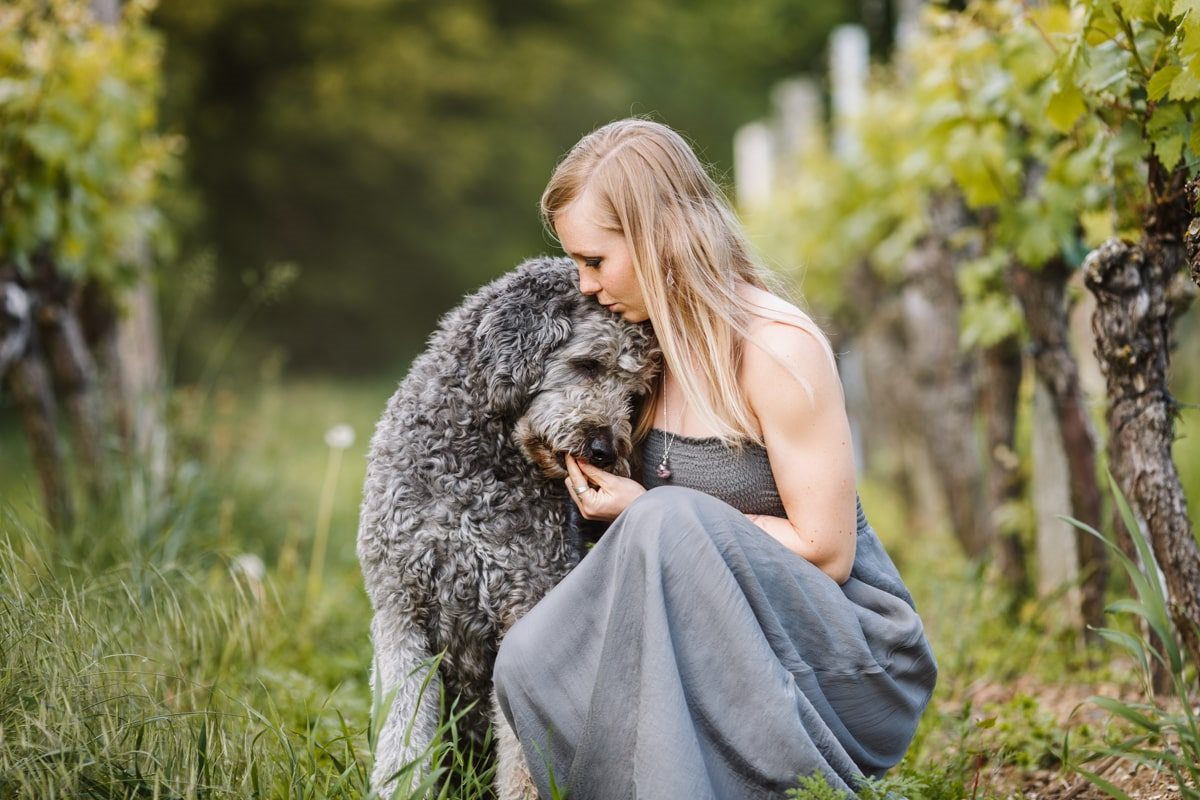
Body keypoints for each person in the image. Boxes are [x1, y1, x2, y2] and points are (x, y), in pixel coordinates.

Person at [492, 118, 937, 799]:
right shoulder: (636, 353)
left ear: (656, 238)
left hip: (840, 661)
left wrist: (649, 512)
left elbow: (827, 553)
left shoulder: (778, 350)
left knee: (667, 520)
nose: (584, 286)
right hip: (719, 655)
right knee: (533, 656)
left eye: (595, 261)